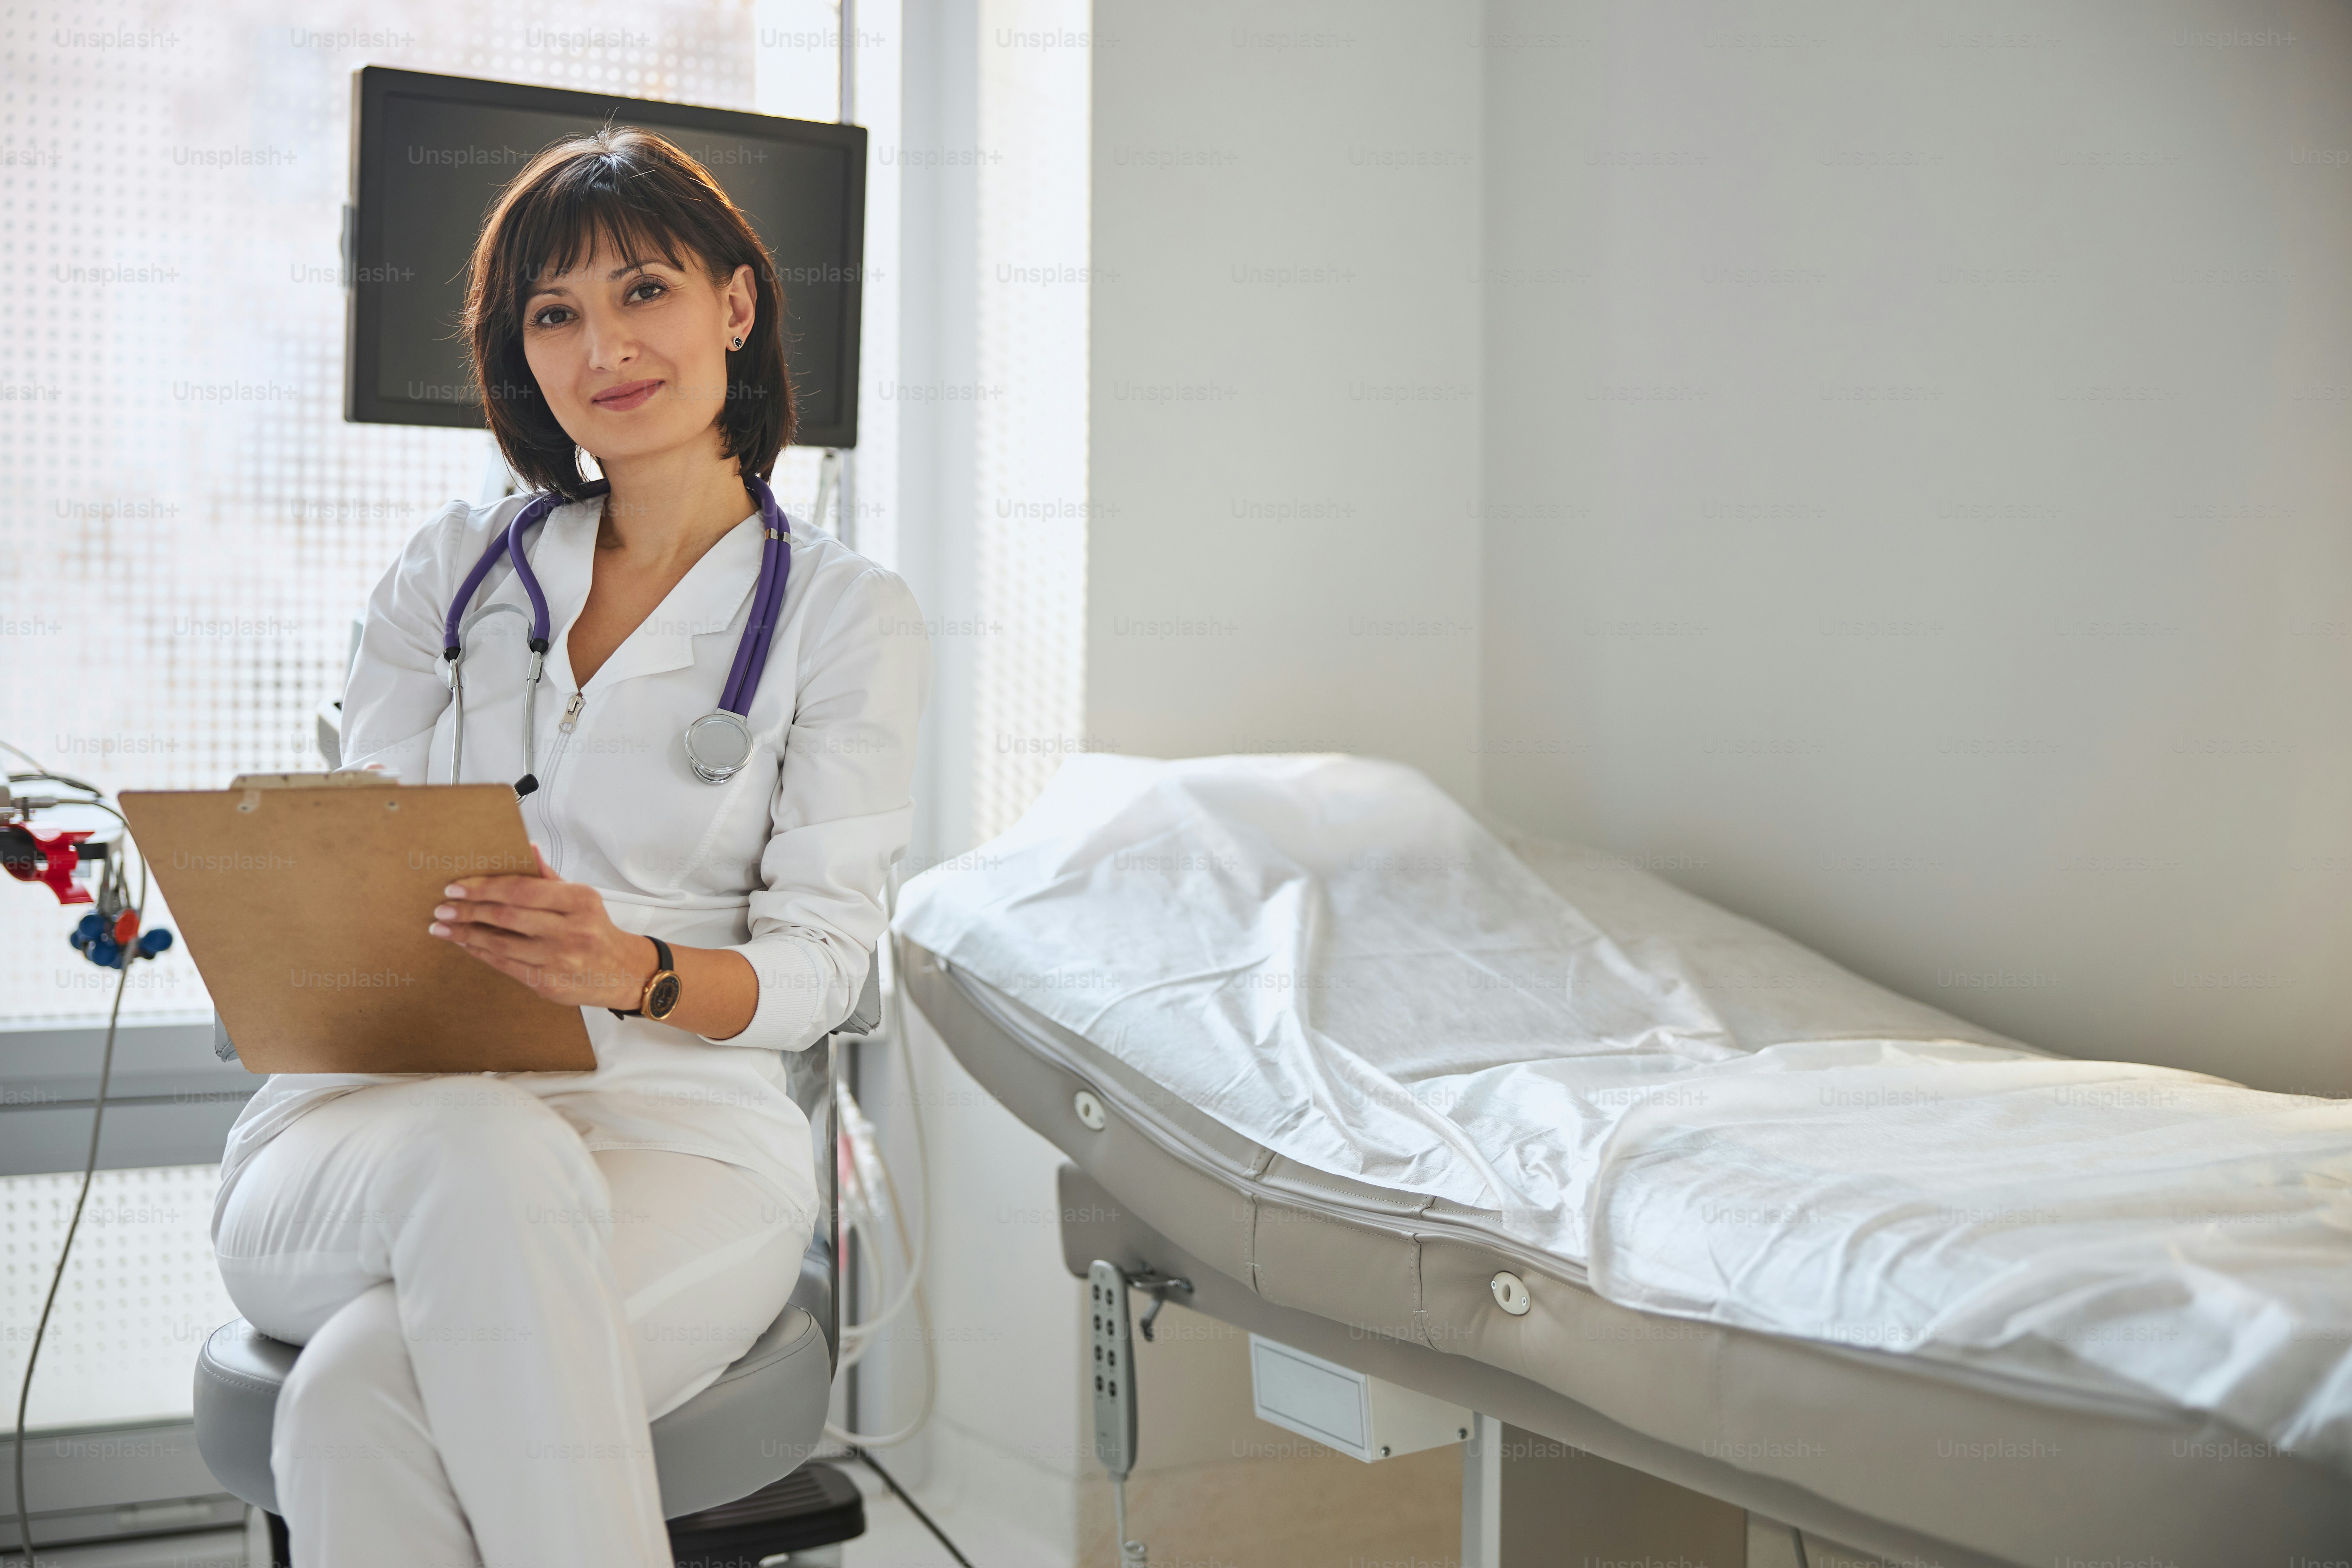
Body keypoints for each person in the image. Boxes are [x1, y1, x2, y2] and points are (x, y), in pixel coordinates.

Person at [207, 127, 926, 1567]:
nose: (604, 344)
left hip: (679, 1136)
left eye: (642, 292)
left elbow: (829, 965)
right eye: (555, 314)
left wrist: (634, 969)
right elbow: (368, 880)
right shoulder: (446, 574)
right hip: (377, 1123)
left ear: (737, 305)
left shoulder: (845, 616)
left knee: (358, 1398)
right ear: (521, 355)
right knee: (487, 1145)